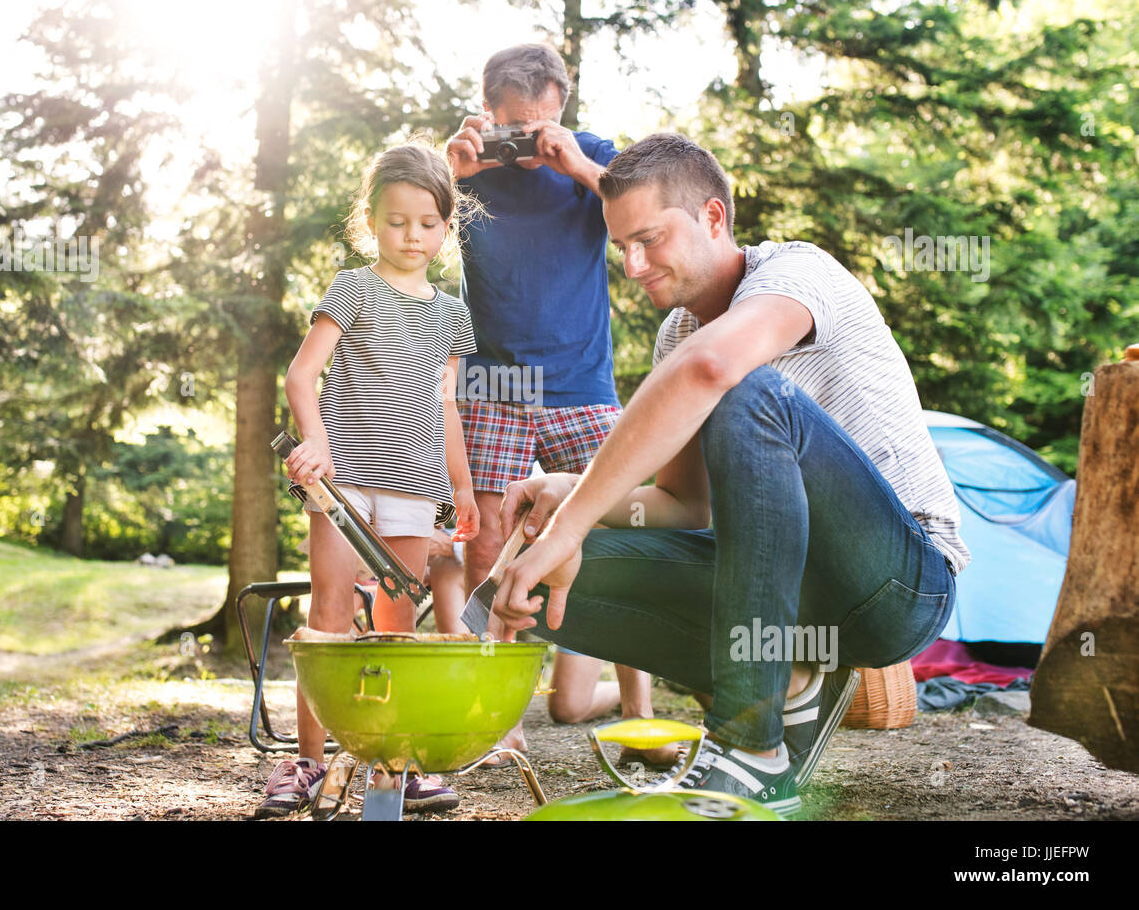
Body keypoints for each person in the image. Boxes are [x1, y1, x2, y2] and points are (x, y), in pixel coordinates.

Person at [491, 133, 970, 814]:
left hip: (898, 583)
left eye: (649, 239)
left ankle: (750, 745)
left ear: (713, 218)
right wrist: (571, 508)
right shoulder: (677, 336)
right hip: (789, 595)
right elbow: (683, 505)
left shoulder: (797, 273)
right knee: (529, 577)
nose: (632, 265)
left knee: (746, 391)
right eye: (621, 247)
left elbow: (714, 372)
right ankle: (794, 683)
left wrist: (572, 522)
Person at [445, 43, 673, 766]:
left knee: (624, 526)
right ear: (489, 112)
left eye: (539, 123)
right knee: (485, 539)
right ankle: (498, 719)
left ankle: (640, 714)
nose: (526, 138)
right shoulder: (469, 158)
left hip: (581, 378)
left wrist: (572, 160)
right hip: (494, 380)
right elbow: (410, 223)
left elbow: (647, 211)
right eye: (514, 124)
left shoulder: (594, 157)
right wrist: (452, 170)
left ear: (561, 107)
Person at [255, 141, 481, 818]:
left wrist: (462, 487)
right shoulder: (352, 288)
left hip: (415, 489)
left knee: (396, 627)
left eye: (427, 222)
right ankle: (306, 765)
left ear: (447, 227)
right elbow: (302, 376)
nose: (412, 236)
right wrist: (317, 441)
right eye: (396, 221)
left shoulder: (451, 314)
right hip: (344, 483)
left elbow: (444, 406)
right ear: (370, 221)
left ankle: (394, 766)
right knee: (328, 619)